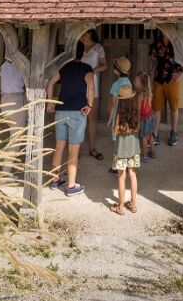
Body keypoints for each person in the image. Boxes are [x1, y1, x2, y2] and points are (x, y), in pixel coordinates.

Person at [45, 51, 95, 198]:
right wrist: (90, 105)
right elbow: (91, 87)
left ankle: (55, 180)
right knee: (73, 150)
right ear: (81, 53)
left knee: (59, 147)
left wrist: (50, 102)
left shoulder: (64, 67)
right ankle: (71, 186)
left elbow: (51, 83)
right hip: (77, 112)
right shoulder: (86, 68)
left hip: (61, 110)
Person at [149, 32, 183, 146]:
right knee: (156, 107)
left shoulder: (177, 41)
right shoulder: (157, 41)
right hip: (158, 79)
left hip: (172, 80)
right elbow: (153, 58)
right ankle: (155, 134)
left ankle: (174, 132)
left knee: (174, 106)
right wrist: (150, 71)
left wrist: (179, 72)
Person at [110, 82, 140, 215]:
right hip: (133, 149)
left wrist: (117, 129)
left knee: (121, 177)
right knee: (132, 175)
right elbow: (137, 128)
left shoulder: (119, 115)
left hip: (121, 151)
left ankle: (121, 207)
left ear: (120, 101)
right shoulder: (135, 113)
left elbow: (115, 133)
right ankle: (133, 205)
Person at [78, 29, 106, 160]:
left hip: (92, 84)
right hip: (78, 85)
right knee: (77, 116)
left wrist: (93, 70)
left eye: (85, 32)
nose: (83, 34)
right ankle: (75, 148)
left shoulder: (98, 47)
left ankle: (92, 148)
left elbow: (104, 65)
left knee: (92, 117)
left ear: (91, 33)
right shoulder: (78, 46)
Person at [0, 58, 26, 177]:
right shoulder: (21, 65)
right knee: (15, 139)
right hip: (16, 100)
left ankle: (7, 166)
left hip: (4, 100)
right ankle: (6, 174)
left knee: (13, 136)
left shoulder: (4, 66)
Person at [107, 56, 132, 176]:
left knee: (117, 142)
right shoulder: (129, 82)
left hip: (117, 116)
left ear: (117, 69)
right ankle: (125, 165)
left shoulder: (115, 85)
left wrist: (109, 119)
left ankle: (118, 168)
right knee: (124, 140)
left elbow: (112, 105)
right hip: (126, 116)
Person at [135, 72, 155, 162]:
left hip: (143, 118)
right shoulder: (149, 93)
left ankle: (145, 156)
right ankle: (153, 153)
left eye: (136, 81)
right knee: (150, 135)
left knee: (143, 136)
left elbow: (139, 110)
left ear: (141, 83)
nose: (134, 83)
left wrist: (138, 122)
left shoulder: (140, 96)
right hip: (150, 117)